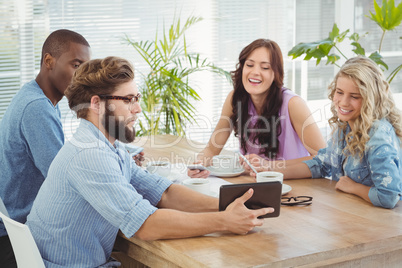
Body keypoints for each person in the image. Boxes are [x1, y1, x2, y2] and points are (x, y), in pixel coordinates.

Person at [26, 56, 274, 267]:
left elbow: (162, 193)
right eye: (129, 99)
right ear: (96, 104)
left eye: (138, 97)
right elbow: (146, 225)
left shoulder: (108, 146)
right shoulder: (89, 156)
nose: (138, 108)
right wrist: (224, 221)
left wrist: (229, 205)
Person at [247, 56, 402, 209]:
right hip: (349, 213)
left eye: (354, 96)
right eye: (339, 92)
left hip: (380, 224)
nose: (343, 102)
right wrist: (270, 170)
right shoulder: (345, 127)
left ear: (371, 99)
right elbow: (321, 164)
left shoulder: (378, 135)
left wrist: (353, 187)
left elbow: (388, 196)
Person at [0, 29, 91, 267]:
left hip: (17, 229)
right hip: (17, 242)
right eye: (76, 65)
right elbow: (65, 180)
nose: (82, 76)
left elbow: (63, 157)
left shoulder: (37, 96)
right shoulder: (37, 107)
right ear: (49, 61)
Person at [189, 39, 325, 178]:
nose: (255, 72)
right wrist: (198, 165)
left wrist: (269, 166)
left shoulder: (293, 104)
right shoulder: (234, 99)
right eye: (249, 65)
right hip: (252, 183)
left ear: (276, 74)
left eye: (265, 68)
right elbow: (212, 150)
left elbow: (323, 159)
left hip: (297, 186)